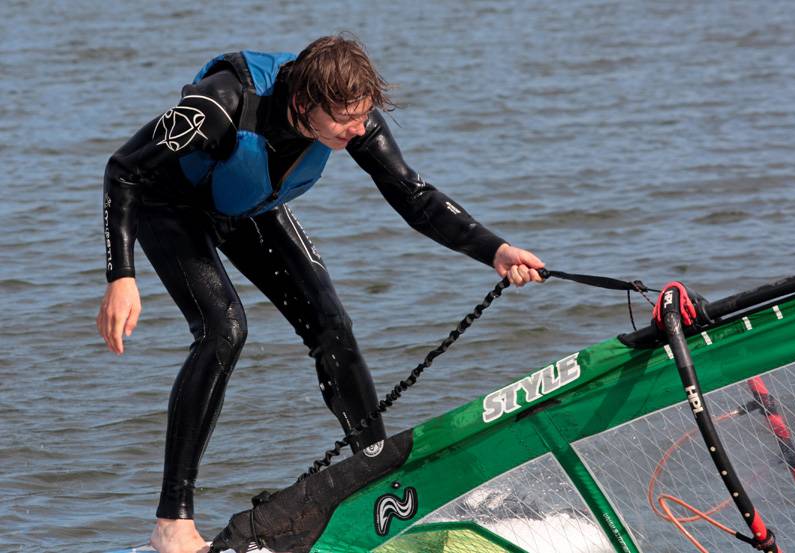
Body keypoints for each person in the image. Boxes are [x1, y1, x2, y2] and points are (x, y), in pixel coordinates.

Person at [96, 35, 544, 553]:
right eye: (346, 120)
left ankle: (378, 482)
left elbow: (413, 196)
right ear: (304, 103)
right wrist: (121, 276)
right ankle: (172, 523)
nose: (358, 129)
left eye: (364, 116)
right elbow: (123, 171)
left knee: (333, 327)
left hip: (246, 204)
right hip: (170, 206)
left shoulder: (353, 115)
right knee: (224, 330)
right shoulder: (218, 106)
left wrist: (496, 250)